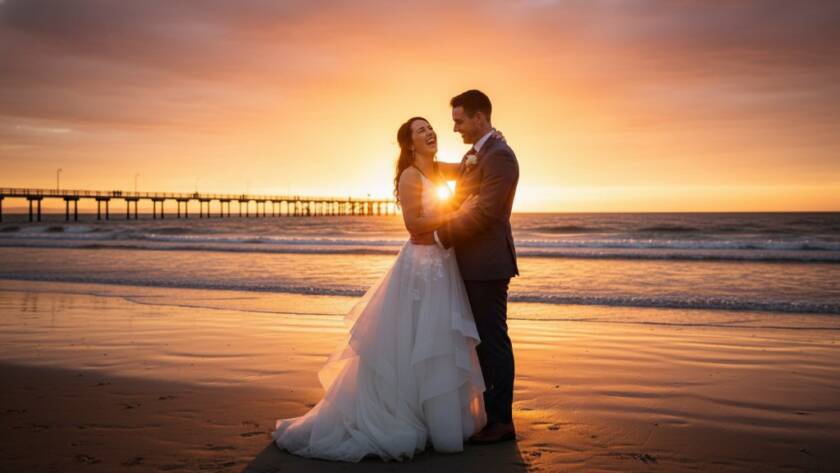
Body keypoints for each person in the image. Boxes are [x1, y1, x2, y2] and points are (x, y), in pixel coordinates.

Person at [272, 115, 486, 462]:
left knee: (437, 342)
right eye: (421, 130)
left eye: (431, 127)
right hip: (420, 267)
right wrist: (457, 215)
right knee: (414, 342)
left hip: (443, 264)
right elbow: (414, 224)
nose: (430, 132)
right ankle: (404, 417)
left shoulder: (439, 169)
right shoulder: (410, 175)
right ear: (409, 143)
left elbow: (468, 168)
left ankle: (437, 421)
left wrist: (487, 146)